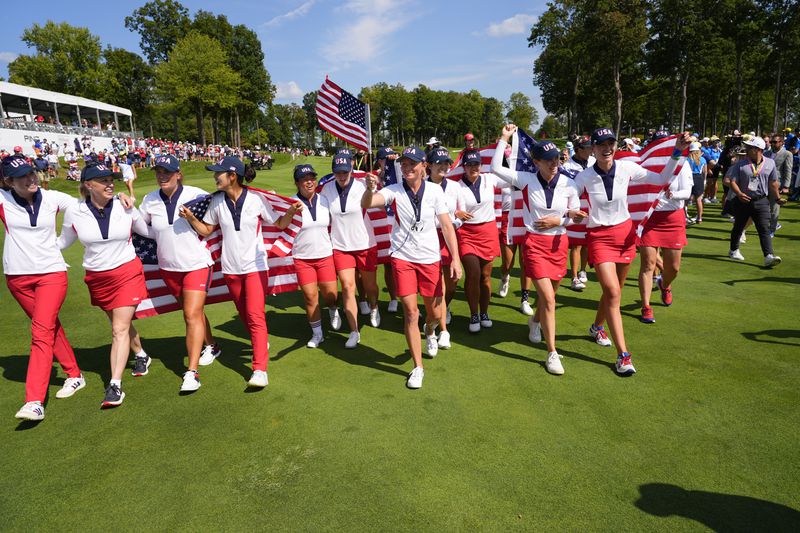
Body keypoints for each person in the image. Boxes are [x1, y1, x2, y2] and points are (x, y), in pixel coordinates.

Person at [573, 128, 690, 376]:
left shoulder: (626, 168)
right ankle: (623, 356)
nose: (607, 148)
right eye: (601, 144)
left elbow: (660, 179)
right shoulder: (583, 177)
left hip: (624, 235)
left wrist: (677, 153)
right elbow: (571, 197)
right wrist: (572, 211)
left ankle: (596, 327)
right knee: (613, 292)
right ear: (592, 149)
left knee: (611, 293)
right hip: (599, 238)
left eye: (611, 143)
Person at [180, 156, 296, 387]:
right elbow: (206, 230)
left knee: (255, 315)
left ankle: (259, 370)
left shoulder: (257, 199)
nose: (215, 177)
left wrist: (292, 210)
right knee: (245, 314)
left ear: (232, 176)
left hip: (255, 267)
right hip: (231, 269)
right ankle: (260, 341)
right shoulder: (217, 202)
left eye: (218, 173)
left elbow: (280, 224)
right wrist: (192, 218)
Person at [362, 146, 462, 389]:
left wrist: (456, 259)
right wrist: (368, 188)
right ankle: (418, 367)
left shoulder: (436, 191)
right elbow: (369, 203)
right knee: (410, 312)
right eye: (403, 164)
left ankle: (429, 330)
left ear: (423, 167)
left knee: (435, 315)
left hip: (429, 258)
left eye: (411, 164)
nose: (406, 168)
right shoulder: (393, 190)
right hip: (402, 256)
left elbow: (447, 226)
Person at [491, 126, 585, 375]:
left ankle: (534, 322)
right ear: (536, 162)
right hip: (535, 244)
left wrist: (561, 219)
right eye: (547, 160)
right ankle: (552, 353)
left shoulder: (569, 183)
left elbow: (578, 217)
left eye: (556, 158)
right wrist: (503, 139)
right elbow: (496, 168)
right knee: (550, 300)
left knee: (547, 299)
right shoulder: (526, 179)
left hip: (558, 243)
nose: (554, 163)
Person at [58, 162, 150, 407]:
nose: (110, 184)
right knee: (120, 324)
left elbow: (147, 232)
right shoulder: (75, 211)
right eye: (103, 181)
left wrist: (135, 209)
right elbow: (63, 242)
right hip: (98, 277)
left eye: (112, 180)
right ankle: (141, 354)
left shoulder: (124, 205)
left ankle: (115, 386)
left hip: (127, 271)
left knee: (118, 329)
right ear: (88, 185)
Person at [1, 156, 85, 421]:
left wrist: (119, 196)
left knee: (40, 332)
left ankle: (34, 400)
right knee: (49, 327)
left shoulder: (52, 198)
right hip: (16, 277)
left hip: (51, 273)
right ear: (8, 182)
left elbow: (84, 203)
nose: (31, 179)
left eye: (32, 173)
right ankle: (74, 374)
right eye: (23, 176)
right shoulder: (2, 199)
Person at [138, 154, 222, 392]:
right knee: (193, 313)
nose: (162, 176)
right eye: (158, 172)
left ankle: (191, 372)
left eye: (167, 172)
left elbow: (209, 227)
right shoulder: (149, 199)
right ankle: (212, 345)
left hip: (196, 264)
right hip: (168, 268)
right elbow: (141, 226)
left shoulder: (195, 195)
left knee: (190, 314)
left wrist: (192, 217)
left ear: (178, 174)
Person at [318, 152, 380, 348]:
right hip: (340, 246)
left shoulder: (363, 185)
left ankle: (374, 306)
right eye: (338, 172)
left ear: (351, 170)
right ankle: (354, 331)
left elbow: (374, 201)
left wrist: (372, 188)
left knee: (370, 286)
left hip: (365, 244)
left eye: (345, 171)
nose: (342, 176)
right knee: (347, 287)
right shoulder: (327, 189)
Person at [454, 149, 510, 332]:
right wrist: (456, 212)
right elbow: (444, 204)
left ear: (481, 165)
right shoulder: (456, 186)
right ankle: (473, 314)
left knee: (485, 276)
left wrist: (507, 147)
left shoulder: (489, 178)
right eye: (469, 164)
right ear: (463, 166)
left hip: (488, 231)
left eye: (476, 164)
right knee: (473, 273)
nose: (473, 168)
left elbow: (510, 176)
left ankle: (484, 312)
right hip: (466, 233)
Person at [637, 146, 693, 324]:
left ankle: (665, 284)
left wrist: (673, 195)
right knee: (648, 264)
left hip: (673, 219)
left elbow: (687, 192)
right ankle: (646, 307)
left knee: (674, 268)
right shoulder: (647, 165)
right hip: (650, 219)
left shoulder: (683, 164)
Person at [289, 164, 341, 348]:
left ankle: (333, 309)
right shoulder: (290, 203)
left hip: (325, 255)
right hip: (302, 258)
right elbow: (279, 224)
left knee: (331, 295)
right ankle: (317, 334)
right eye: (304, 179)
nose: (309, 182)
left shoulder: (325, 200)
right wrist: (289, 211)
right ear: (297, 183)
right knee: (310, 297)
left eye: (311, 178)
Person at [725, 136, 784, 266]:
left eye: (749, 147)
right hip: (743, 200)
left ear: (758, 149)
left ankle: (768, 256)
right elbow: (732, 181)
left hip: (761, 200)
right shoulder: (740, 164)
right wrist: (739, 193)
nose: (746, 149)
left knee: (763, 228)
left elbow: (773, 182)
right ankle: (734, 250)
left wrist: (778, 198)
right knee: (739, 226)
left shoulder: (770, 163)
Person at [426, 147, 462, 349]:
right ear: (429, 165)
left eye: (446, 163)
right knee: (438, 286)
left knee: (452, 284)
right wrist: (446, 222)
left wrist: (453, 223)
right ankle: (442, 330)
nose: (443, 166)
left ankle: (441, 311)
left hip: (449, 239)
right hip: (429, 240)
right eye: (438, 162)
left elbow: (461, 216)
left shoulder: (455, 187)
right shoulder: (421, 186)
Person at [561, 135, 595, 291]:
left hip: (592, 206)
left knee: (587, 242)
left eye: (590, 147)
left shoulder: (594, 162)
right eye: (587, 147)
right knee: (576, 244)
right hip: (576, 206)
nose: (590, 150)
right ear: (578, 149)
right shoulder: (567, 166)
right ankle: (574, 277)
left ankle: (583, 270)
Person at [765, 134, 793, 237]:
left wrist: (786, 186)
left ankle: (771, 230)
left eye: (775, 142)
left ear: (782, 142)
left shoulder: (787, 154)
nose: (773, 144)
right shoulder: (766, 153)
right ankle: (774, 224)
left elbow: (788, 170)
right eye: (772, 142)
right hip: (764, 184)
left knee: (774, 208)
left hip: (777, 184)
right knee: (763, 207)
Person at [686, 142, 706, 223]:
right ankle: (699, 218)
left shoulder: (687, 158)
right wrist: (704, 181)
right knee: (698, 199)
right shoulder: (703, 159)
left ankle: (685, 217)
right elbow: (705, 171)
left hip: (689, 177)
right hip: (699, 178)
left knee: (686, 199)